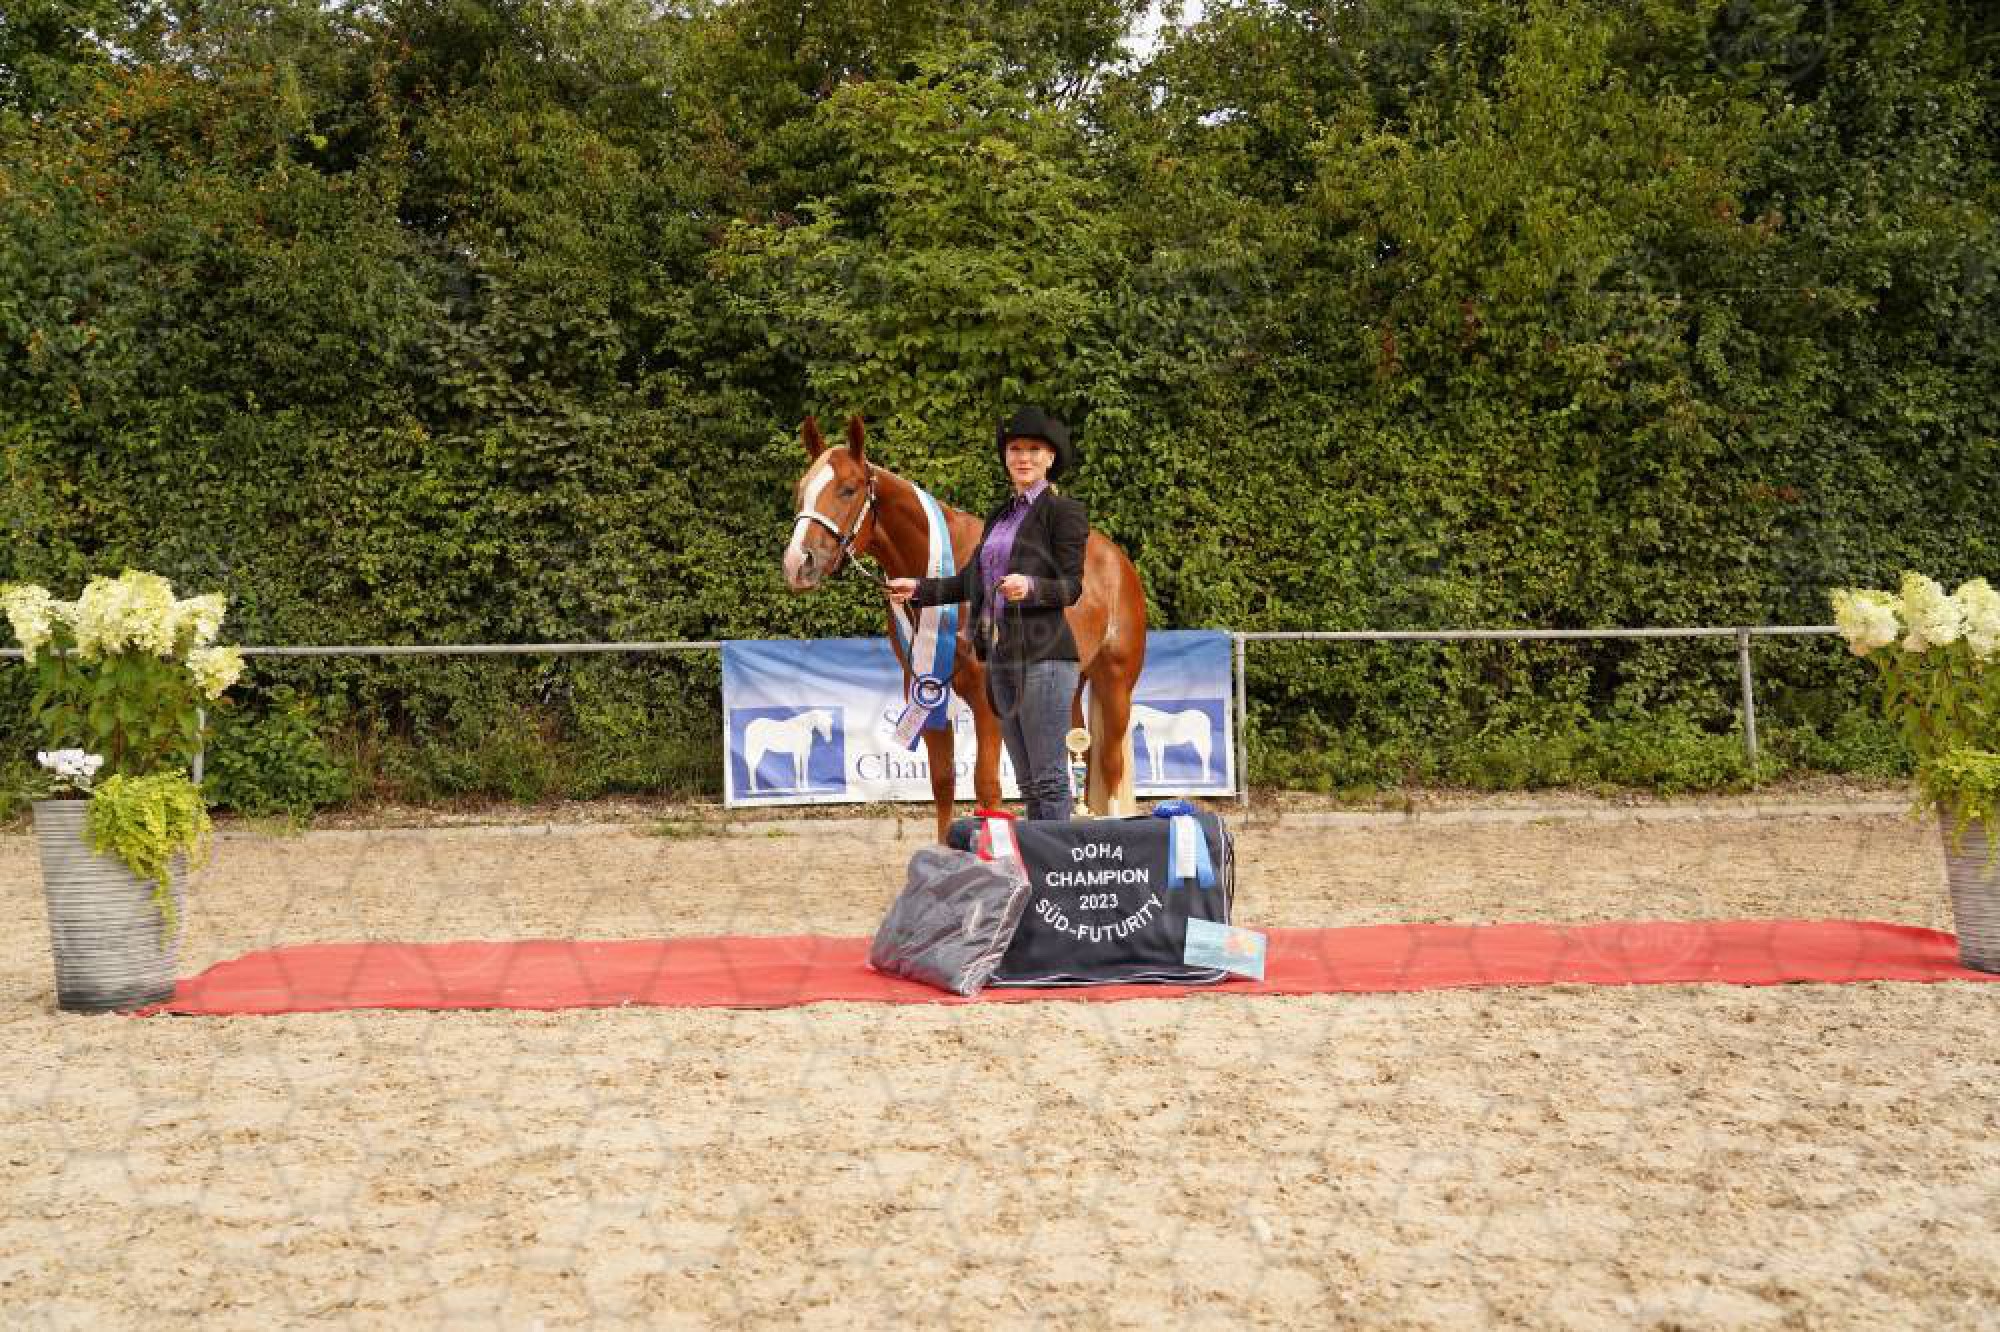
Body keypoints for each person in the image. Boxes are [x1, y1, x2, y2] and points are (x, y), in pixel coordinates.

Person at [887, 406, 1089, 821]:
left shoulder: (1063, 512)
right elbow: (971, 581)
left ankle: (1054, 860)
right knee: (1027, 782)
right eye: (1015, 449)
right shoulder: (1000, 515)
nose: (1023, 457)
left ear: (1050, 458)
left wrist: (1031, 587)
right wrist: (919, 589)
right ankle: (1039, 859)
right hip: (1000, 660)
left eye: (1033, 449)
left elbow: (1071, 587)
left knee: (1050, 780)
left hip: (1045, 658)